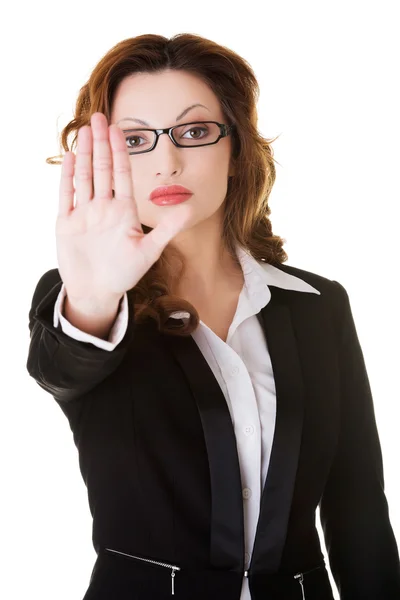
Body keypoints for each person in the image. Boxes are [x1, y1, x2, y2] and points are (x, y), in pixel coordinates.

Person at [26, 33, 400, 600]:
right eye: (135, 139)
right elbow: (61, 366)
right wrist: (96, 298)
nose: (167, 160)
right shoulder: (88, 298)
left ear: (237, 150)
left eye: (194, 132)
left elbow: (359, 513)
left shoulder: (318, 306)